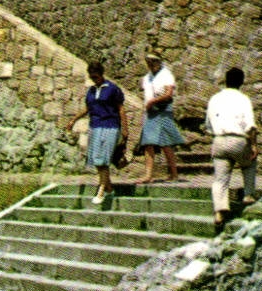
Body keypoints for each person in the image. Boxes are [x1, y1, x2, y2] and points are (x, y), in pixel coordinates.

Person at [69, 61, 129, 206]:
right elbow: (88, 108)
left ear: (101, 75)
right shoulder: (91, 91)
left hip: (110, 126)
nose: (94, 80)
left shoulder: (112, 89)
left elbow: (121, 109)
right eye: (92, 77)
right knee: (96, 159)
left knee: (103, 158)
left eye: (96, 77)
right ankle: (108, 187)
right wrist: (73, 120)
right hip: (95, 126)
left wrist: (125, 128)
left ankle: (101, 189)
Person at [205, 67, 258, 231]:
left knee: (220, 179)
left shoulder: (214, 99)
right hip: (238, 140)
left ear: (225, 81)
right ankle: (248, 194)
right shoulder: (243, 99)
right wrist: (254, 145)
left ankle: (219, 212)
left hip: (219, 140)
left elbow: (208, 125)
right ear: (241, 82)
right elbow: (250, 126)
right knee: (249, 163)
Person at [138, 52, 185, 182]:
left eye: (153, 62)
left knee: (166, 143)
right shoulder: (147, 77)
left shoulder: (166, 75)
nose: (151, 65)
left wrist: (153, 101)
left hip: (162, 110)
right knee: (148, 142)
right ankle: (148, 175)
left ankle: (174, 173)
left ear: (159, 62)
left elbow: (169, 94)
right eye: (149, 62)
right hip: (150, 112)